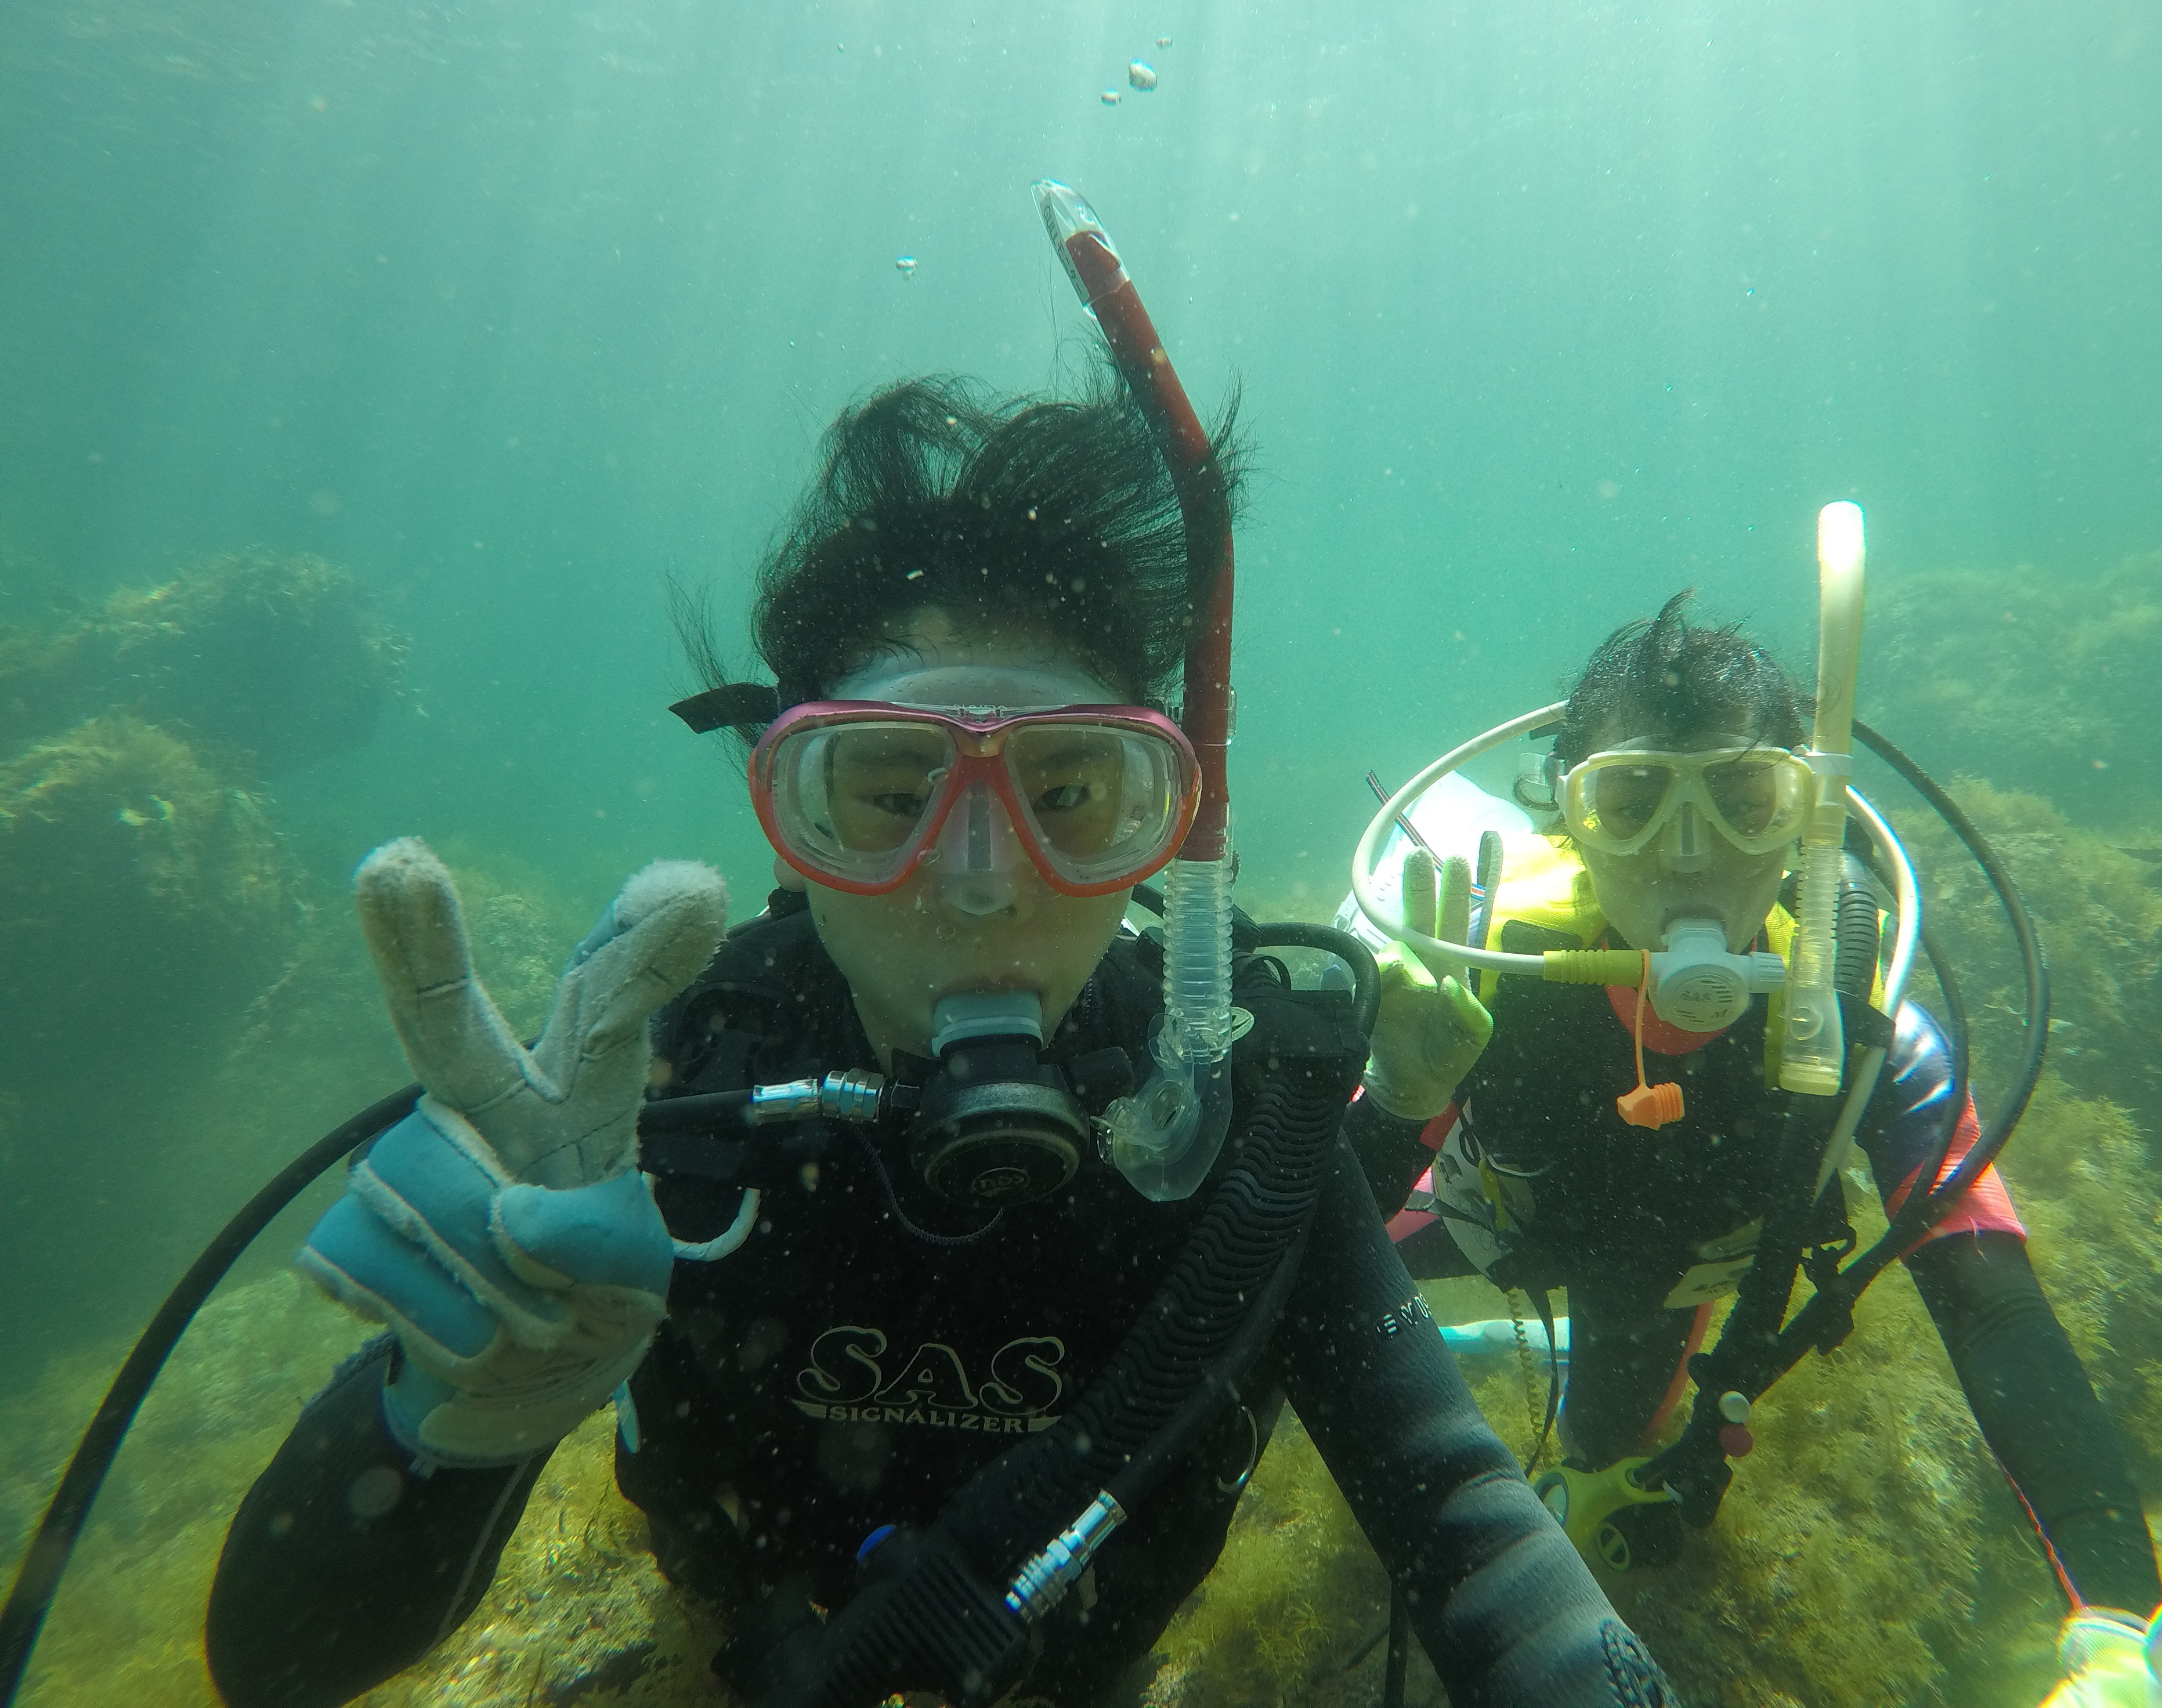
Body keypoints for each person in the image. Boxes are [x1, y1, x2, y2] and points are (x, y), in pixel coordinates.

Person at [203, 362, 1678, 1708]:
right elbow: (273, 1669)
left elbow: (1472, 1525)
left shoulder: (1237, 1103)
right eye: (892, 794)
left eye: (1071, 794)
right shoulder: (663, 1091)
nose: (979, 885)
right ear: (789, 816)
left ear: (1170, 831)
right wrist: (439, 1429)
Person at [1339, 590, 2162, 1708]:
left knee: (1607, 1482)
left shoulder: (1862, 1024)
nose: (1689, 857)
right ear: (1570, 820)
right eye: (1631, 803)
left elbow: (1993, 1307)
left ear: (1808, 819)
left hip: (1662, 1283)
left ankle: (1554, 1360)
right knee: (1311, 1307)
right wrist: (1396, 1103)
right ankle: (1475, 1338)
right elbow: (1306, 1245)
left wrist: (2125, 1628)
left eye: (1744, 800)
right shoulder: (1487, 972)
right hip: (1483, 1218)